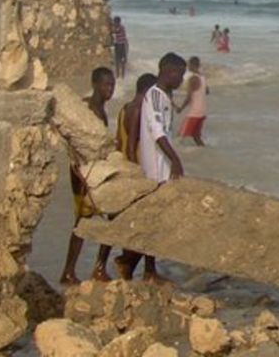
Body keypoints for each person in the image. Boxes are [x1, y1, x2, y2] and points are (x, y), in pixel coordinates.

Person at [115, 54, 187, 283]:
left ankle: (137, 265)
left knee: (156, 221)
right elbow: (157, 131)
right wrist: (175, 160)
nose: (182, 79)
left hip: (162, 165)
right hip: (157, 167)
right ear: (169, 71)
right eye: (180, 74)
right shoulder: (154, 95)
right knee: (154, 221)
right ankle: (143, 269)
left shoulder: (164, 96)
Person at [60, 67, 116, 285]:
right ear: (94, 84)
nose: (109, 89)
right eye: (105, 85)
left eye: (112, 85)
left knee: (90, 221)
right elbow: (72, 140)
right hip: (84, 175)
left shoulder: (101, 109)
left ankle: (77, 270)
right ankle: (86, 270)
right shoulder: (89, 109)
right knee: (87, 221)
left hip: (94, 172)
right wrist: (80, 171)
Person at [176, 57, 209, 146]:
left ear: (192, 65)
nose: (187, 67)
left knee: (180, 136)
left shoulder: (192, 79)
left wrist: (181, 108)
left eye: (188, 65)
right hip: (202, 112)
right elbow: (207, 91)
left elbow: (189, 98)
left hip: (194, 113)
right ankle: (204, 152)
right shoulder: (203, 77)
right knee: (196, 136)